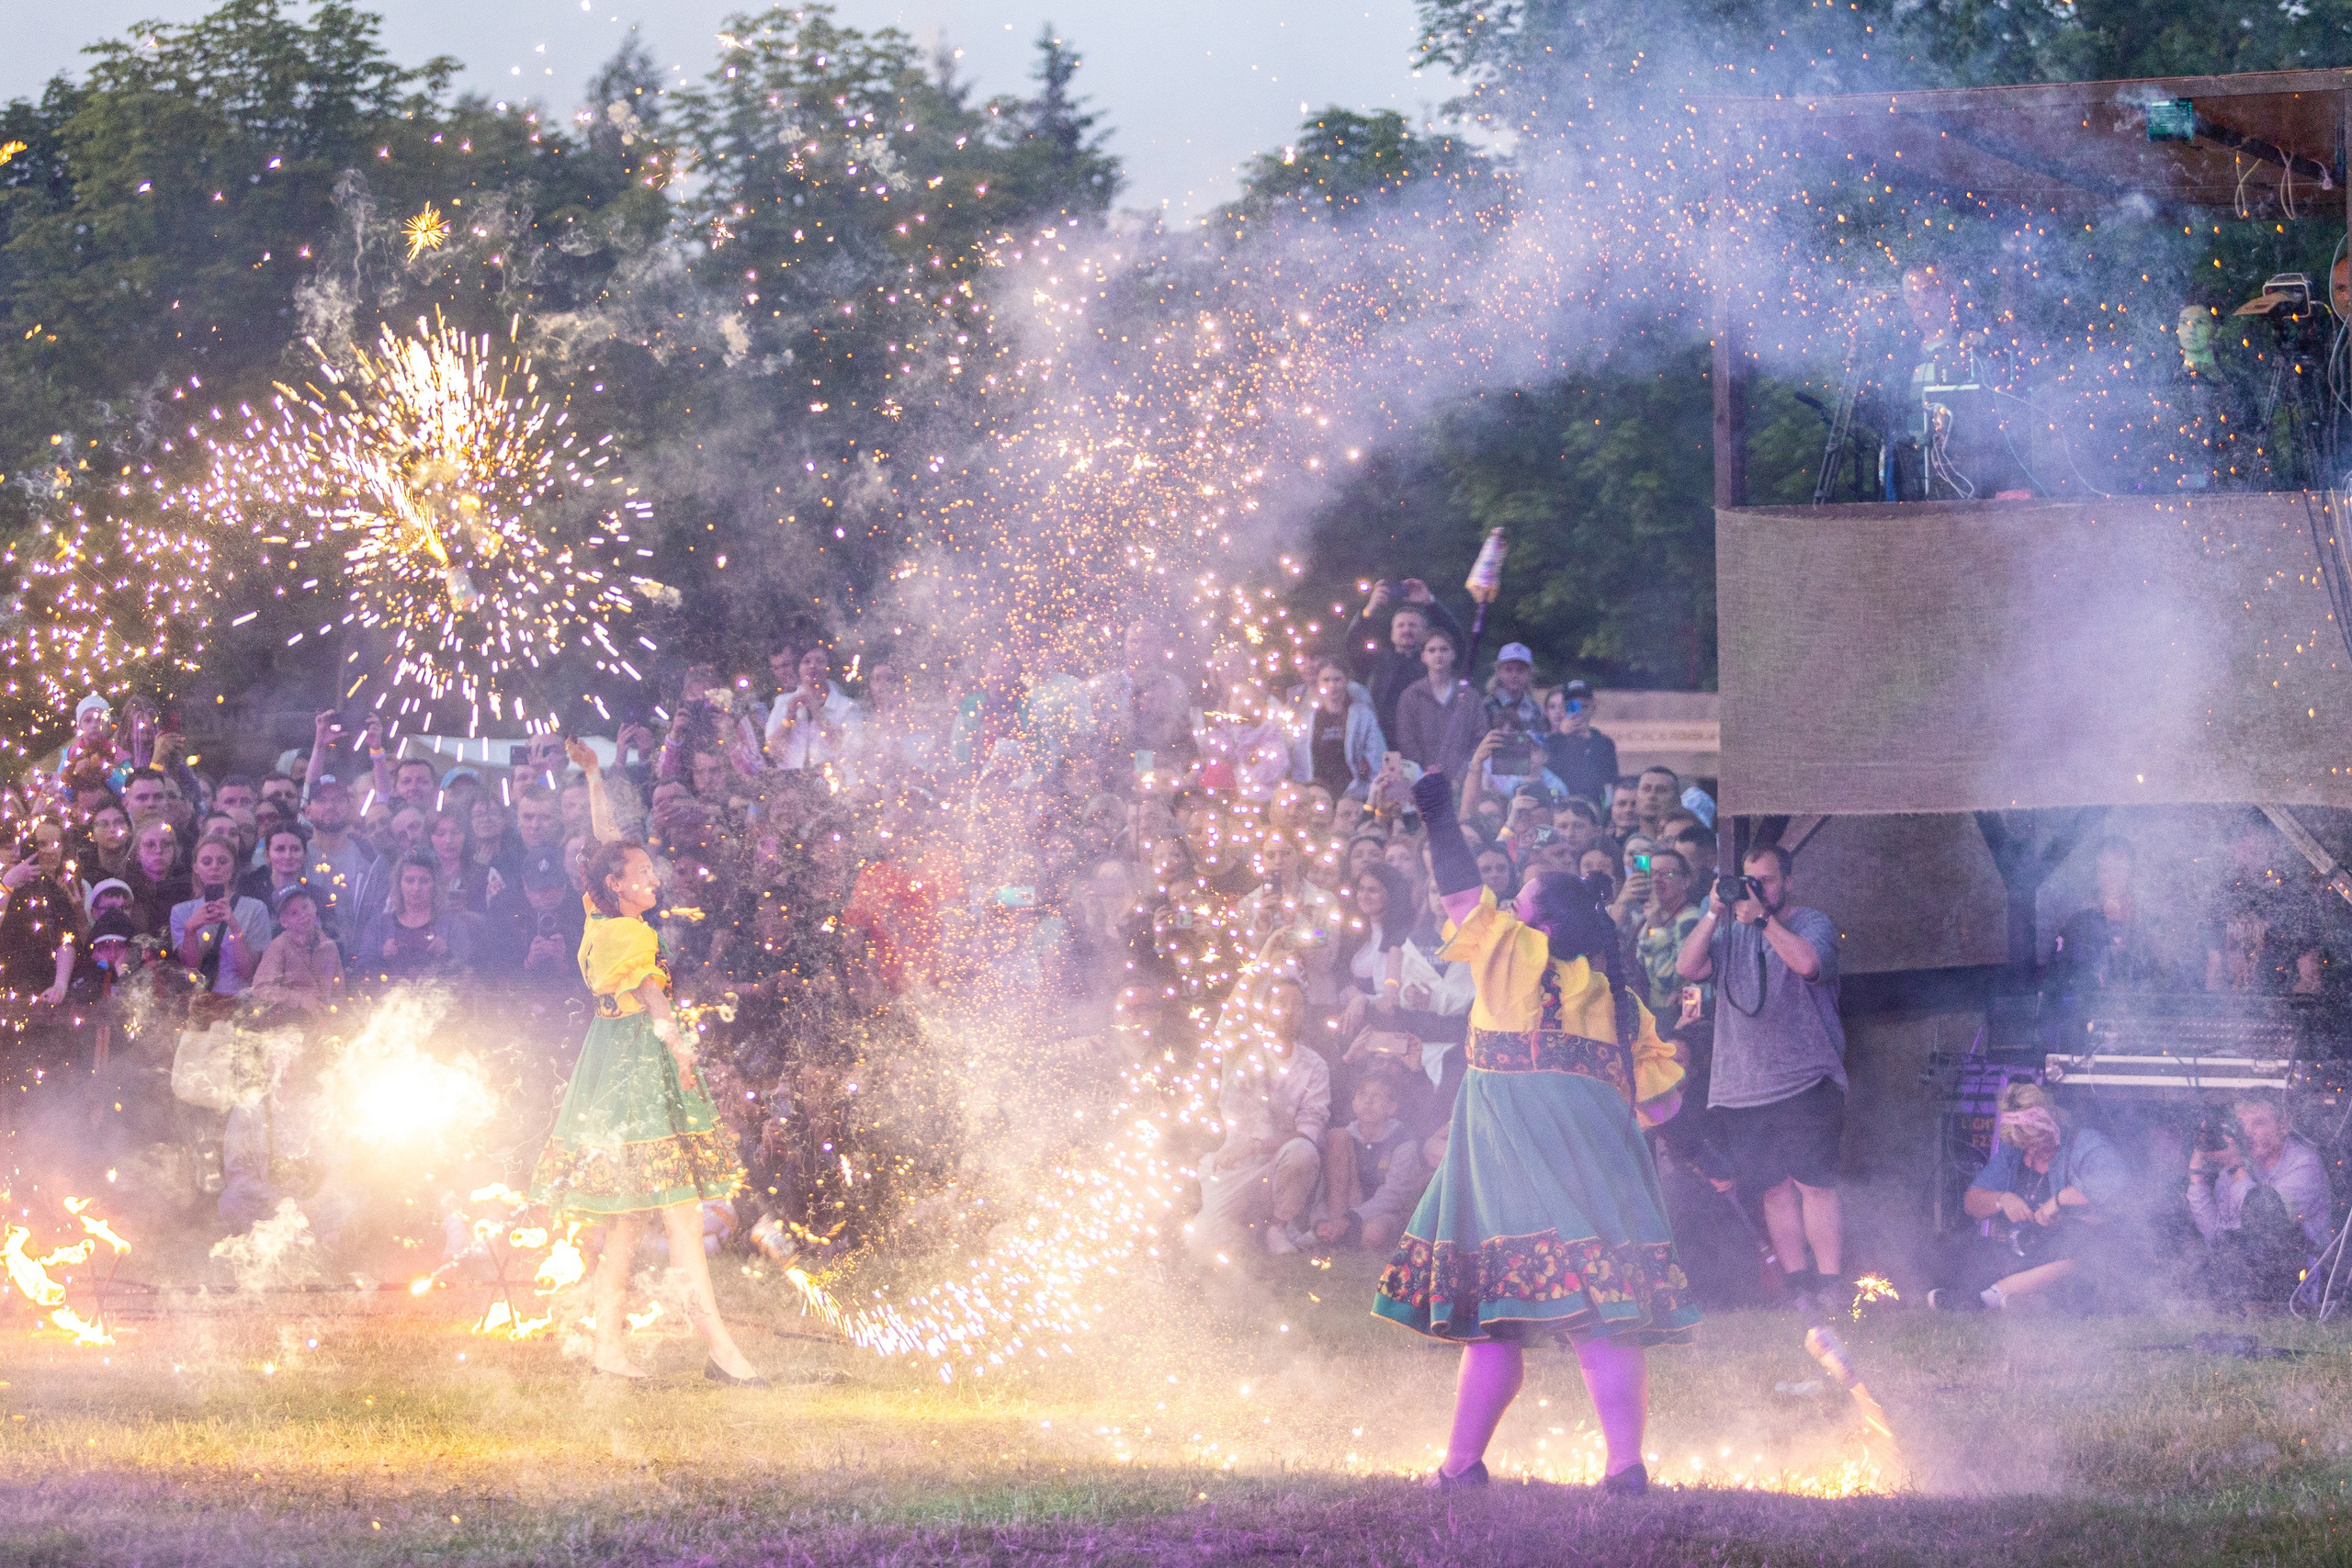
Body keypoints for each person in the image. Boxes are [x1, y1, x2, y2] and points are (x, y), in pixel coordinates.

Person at [1374, 771, 1694, 1495]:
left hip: (1506, 1171)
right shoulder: (1621, 1004)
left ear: (1539, 926)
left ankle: (1460, 1467)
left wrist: (1437, 813)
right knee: (1603, 1322)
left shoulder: (1510, 953)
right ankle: (1625, 1466)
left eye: (1517, 903)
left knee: (1496, 1323)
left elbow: (1459, 891)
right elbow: (1665, 1108)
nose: (1504, 909)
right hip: (1599, 1184)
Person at [526, 837, 763, 1385]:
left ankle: (609, 1351)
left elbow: (599, 860)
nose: (654, 880)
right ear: (615, 884)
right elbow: (656, 1001)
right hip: (639, 1066)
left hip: (609, 1065)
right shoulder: (631, 933)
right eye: (642, 872)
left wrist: (595, 804)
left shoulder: (597, 921)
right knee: (681, 1216)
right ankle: (722, 1353)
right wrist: (683, 1056)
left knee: (627, 1222)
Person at [1677, 842, 1847, 1303]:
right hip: (1741, 1086)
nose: (1756, 889)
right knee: (1773, 1189)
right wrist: (1713, 913)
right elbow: (1687, 967)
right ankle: (1799, 1287)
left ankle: (1831, 1284)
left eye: (1766, 880)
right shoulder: (1727, 932)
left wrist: (1763, 920)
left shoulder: (1811, 923)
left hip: (1805, 1078)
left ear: (1788, 881)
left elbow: (1809, 965)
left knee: (1814, 1183)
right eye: (1749, 881)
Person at [1929, 1082, 2134, 1311]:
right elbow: (1972, 1202)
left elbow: (2118, 1183)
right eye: (2025, 1147)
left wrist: (2059, 1200)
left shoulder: (2085, 1144)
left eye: (2038, 1143)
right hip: (2021, 1253)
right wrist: (2002, 1199)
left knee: (2081, 1249)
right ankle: (2028, 1301)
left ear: (2052, 1126)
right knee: (1951, 1248)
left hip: (2070, 1256)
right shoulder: (2014, 1151)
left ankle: (1985, 1300)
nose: (2032, 1151)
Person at [1193, 976, 1330, 1258]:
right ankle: (1251, 1226)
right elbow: (1231, 1015)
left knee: (1302, 1151)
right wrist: (1262, 962)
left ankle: (1278, 1226)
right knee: (1203, 1243)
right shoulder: (1242, 1049)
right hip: (1235, 1166)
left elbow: (1308, 1132)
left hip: (1280, 1167)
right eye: (1281, 1002)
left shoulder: (1314, 1065)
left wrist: (1256, 1146)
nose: (1289, 1011)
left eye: (1297, 1004)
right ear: (1264, 1009)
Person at [2187, 1093, 2333, 1309]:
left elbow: (2266, 1220)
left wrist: (2235, 1167)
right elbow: (2216, 1234)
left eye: (2258, 1123)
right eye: (2241, 1124)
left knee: (2260, 1246)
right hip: (2246, 1276)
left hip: (2296, 1277)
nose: (2247, 1133)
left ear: (2283, 1126)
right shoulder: (2238, 1166)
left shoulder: (2304, 1164)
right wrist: (2197, 1178)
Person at [1311, 1065, 1428, 1252]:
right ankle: (1331, 1229)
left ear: (1391, 1107)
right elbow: (1326, 1186)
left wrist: (1351, 1219)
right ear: (1354, 1103)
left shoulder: (1403, 1141)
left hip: (1381, 1212)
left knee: (1374, 1235)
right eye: (1362, 1095)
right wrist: (1321, 1219)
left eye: (1377, 1096)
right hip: (1344, 1208)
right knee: (1336, 1136)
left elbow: (1393, 1196)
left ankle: (1346, 1235)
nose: (1368, 1102)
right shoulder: (1344, 1138)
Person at [1345, 579, 1468, 741]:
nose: (1406, 630)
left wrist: (1430, 603)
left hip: (1427, 740)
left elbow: (1456, 641)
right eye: (1401, 626)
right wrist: (1369, 611)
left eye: (1412, 625)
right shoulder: (1378, 661)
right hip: (1383, 741)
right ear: (1392, 634)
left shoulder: (1435, 661)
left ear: (1425, 632)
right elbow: (1351, 647)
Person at [2051, 835, 2169, 991]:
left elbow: (2163, 980)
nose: (2112, 876)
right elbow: (2057, 981)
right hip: (2091, 1006)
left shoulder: (2149, 925)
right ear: (2097, 875)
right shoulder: (2079, 925)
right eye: (2105, 869)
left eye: (2119, 868)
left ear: (2132, 872)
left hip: (2141, 1006)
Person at [169, 836, 269, 998]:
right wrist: (190, 930)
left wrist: (234, 926)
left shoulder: (256, 909)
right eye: (207, 862)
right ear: (196, 867)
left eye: (222, 861)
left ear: (234, 866)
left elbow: (247, 972)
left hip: (239, 999)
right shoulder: (181, 912)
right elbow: (191, 969)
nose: (214, 867)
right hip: (198, 1000)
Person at [356, 854, 475, 985]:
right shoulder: (379, 925)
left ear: (436, 884)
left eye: (424, 881)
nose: (416, 888)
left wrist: (447, 954)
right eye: (409, 880)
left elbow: (468, 973)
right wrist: (382, 955)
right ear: (399, 883)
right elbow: (361, 972)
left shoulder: (452, 925)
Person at [1393, 628, 1485, 788]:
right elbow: (1406, 739)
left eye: (1444, 649)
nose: (1438, 655)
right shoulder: (1411, 695)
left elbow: (1480, 737)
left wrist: (1464, 771)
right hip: (1423, 781)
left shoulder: (1470, 697)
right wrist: (1426, 771)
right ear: (1423, 656)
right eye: (1432, 650)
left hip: (1463, 781)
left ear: (1453, 654)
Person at [1289, 659, 1384, 802]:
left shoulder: (1363, 716)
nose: (1332, 686)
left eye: (1337, 680)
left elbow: (1375, 756)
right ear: (1318, 683)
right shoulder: (1308, 720)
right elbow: (1299, 763)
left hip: (1356, 794)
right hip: (1317, 795)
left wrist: (1364, 792)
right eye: (1326, 680)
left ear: (1347, 681)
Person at [249, 886, 344, 1019]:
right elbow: (260, 988)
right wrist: (300, 999)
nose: (303, 915)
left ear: (314, 906)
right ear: (284, 922)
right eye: (294, 913)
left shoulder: (330, 947)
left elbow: (339, 991)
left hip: (325, 1019)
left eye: (305, 907)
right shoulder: (279, 946)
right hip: (289, 1021)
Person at [1543, 682, 1618, 812]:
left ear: (1593, 709)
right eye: (1573, 707)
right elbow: (1548, 775)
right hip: (1559, 808)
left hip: (1593, 807)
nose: (1579, 712)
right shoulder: (1551, 742)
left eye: (1585, 707)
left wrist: (1589, 741)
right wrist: (1564, 738)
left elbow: (1609, 780)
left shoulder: (1604, 743)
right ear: (1564, 709)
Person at [1482, 642, 1542, 735]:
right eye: (1508, 670)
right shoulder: (1486, 706)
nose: (1514, 675)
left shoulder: (1535, 710)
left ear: (1529, 674)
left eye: (1520, 670)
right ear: (1498, 672)